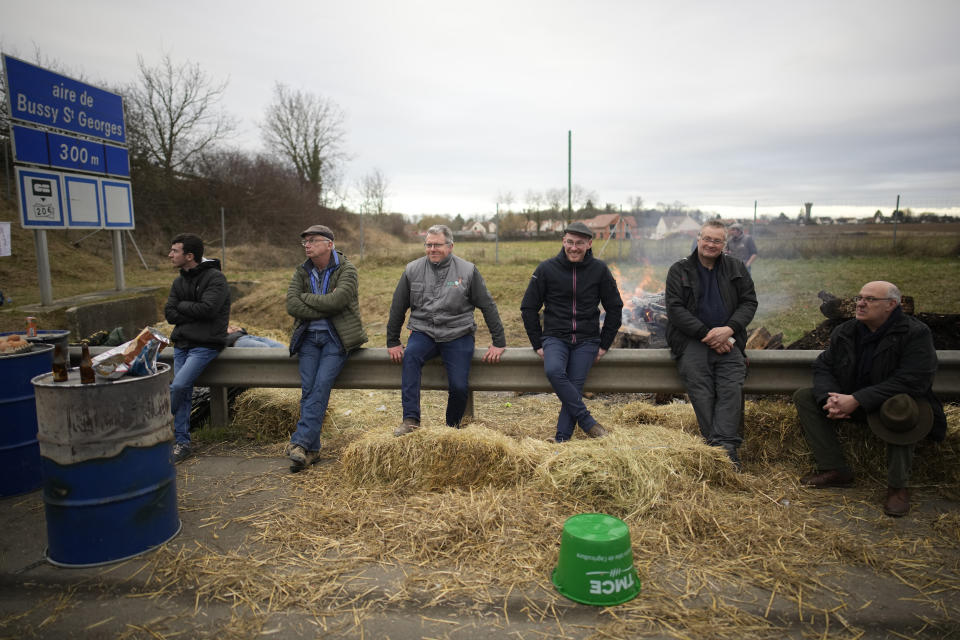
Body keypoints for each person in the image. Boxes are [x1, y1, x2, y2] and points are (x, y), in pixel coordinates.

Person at [792, 281, 946, 517]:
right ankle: (835, 469)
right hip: (853, 402)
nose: (861, 303)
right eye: (859, 298)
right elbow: (824, 366)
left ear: (891, 305)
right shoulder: (846, 331)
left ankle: (897, 487)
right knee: (804, 396)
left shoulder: (915, 333)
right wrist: (830, 398)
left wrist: (857, 399)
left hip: (891, 403)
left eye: (870, 299)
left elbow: (914, 380)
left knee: (901, 407)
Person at [387, 224, 506, 435]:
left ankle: (451, 429)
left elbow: (488, 305)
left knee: (460, 387)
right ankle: (411, 420)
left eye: (437, 245)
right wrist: (393, 341)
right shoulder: (412, 270)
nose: (432, 249)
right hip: (424, 332)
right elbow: (398, 306)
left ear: (450, 246)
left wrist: (499, 342)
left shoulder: (468, 271)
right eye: (428, 244)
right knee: (411, 357)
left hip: (458, 334)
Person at [665, 220, 757, 467]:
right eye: (707, 238)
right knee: (701, 392)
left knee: (731, 389)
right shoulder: (679, 270)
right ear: (698, 239)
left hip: (729, 340)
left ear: (724, 244)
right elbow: (675, 309)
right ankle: (719, 449)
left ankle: (725, 451)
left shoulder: (736, 268)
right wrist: (709, 335)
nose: (710, 244)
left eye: (717, 240)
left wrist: (728, 330)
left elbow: (749, 302)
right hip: (691, 341)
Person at [520, 222, 623, 442]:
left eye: (579, 243)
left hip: (587, 340)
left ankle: (561, 440)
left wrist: (604, 343)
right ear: (563, 241)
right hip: (555, 337)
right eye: (569, 242)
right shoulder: (546, 269)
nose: (573, 247)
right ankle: (587, 422)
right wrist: (537, 343)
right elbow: (528, 307)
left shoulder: (599, 270)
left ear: (589, 244)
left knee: (574, 388)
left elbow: (615, 307)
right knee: (554, 371)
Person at [286, 224, 367, 471]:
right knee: (309, 390)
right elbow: (292, 305)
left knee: (321, 386)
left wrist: (306, 298)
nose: (307, 245)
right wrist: (323, 303)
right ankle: (312, 451)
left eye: (312, 240)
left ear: (329, 244)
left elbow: (338, 301)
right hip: (309, 338)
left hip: (336, 337)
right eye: (305, 242)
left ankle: (299, 442)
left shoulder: (347, 269)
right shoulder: (302, 271)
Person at [164, 233, 231, 463]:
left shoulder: (216, 279)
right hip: (182, 343)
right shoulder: (178, 281)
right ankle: (181, 442)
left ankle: (153, 426)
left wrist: (183, 307)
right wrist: (189, 310)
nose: (170, 255)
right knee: (183, 392)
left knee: (179, 386)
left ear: (189, 256)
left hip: (205, 345)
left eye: (175, 251)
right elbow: (169, 314)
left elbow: (208, 310)